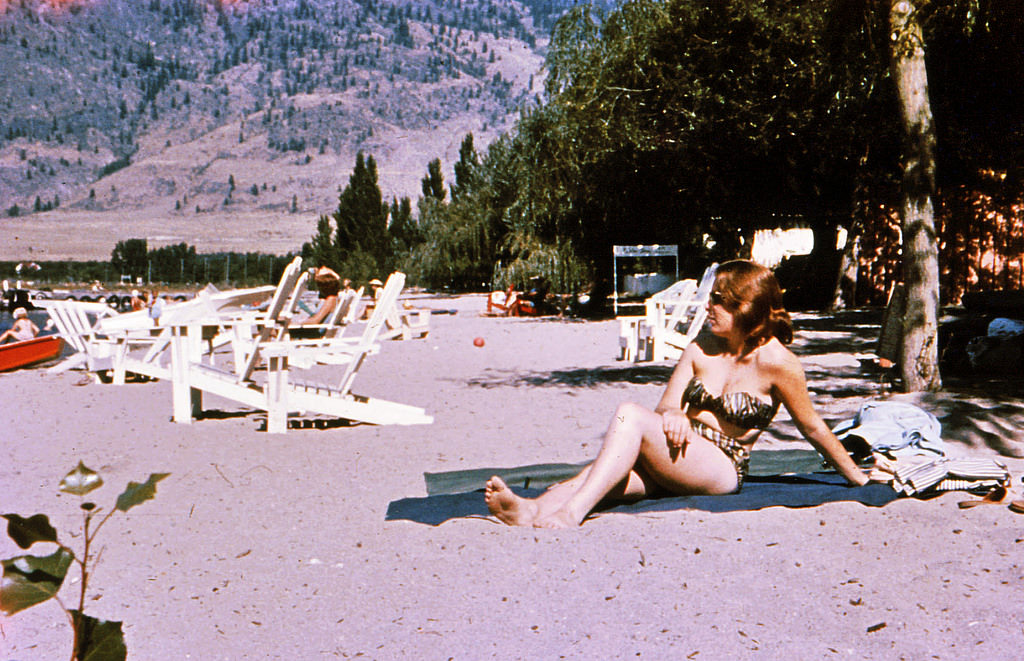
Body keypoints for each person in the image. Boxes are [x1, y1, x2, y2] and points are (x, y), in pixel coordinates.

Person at [485, 260, 871, 528]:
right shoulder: (701, 345)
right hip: (679, 453)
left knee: (628, 414)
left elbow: (814, 428)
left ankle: (572, 514)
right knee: (604, 474)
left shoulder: (778, 363)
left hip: (721, 466)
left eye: (720, 300)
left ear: (747, 307)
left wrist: (857, 477)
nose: (710, 306)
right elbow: (667, 403)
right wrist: (672, 413)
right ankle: (531, 509)